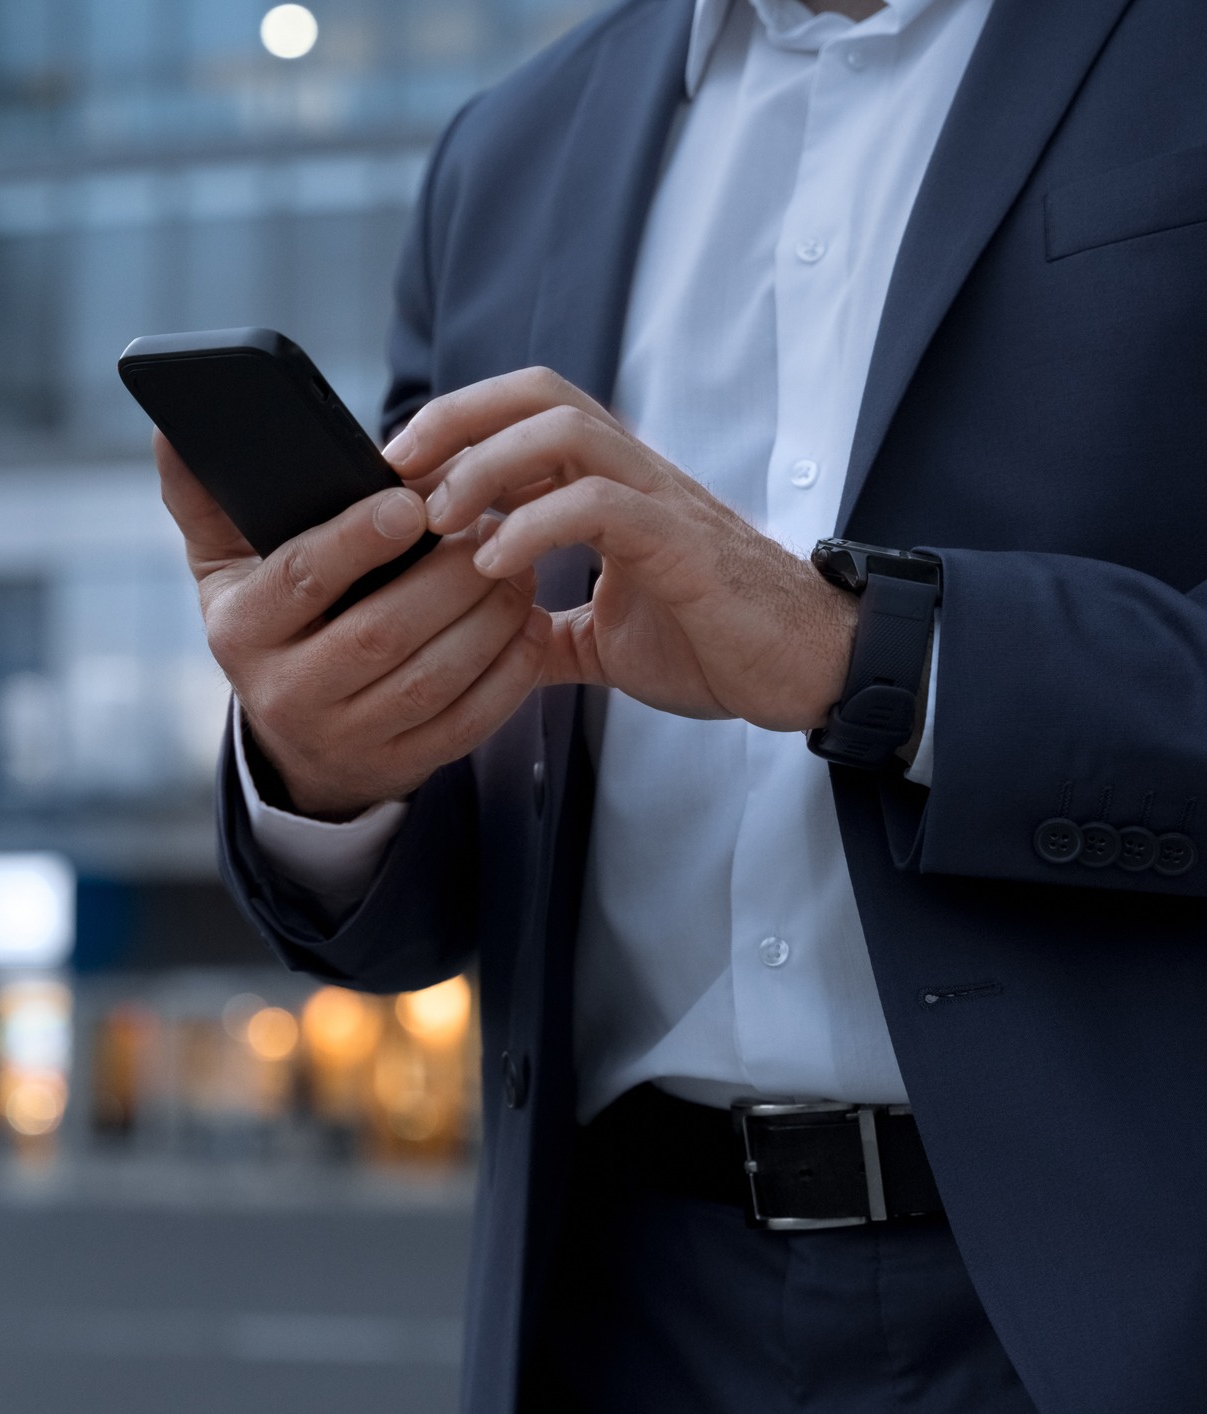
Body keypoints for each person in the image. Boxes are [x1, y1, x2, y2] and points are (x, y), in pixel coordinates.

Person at [154, 0, 1207, 1410]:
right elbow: (459, 851)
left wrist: (857, 649)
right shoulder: (503, 154)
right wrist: (324, 765)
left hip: (1126, 1300)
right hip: (620, 1311)